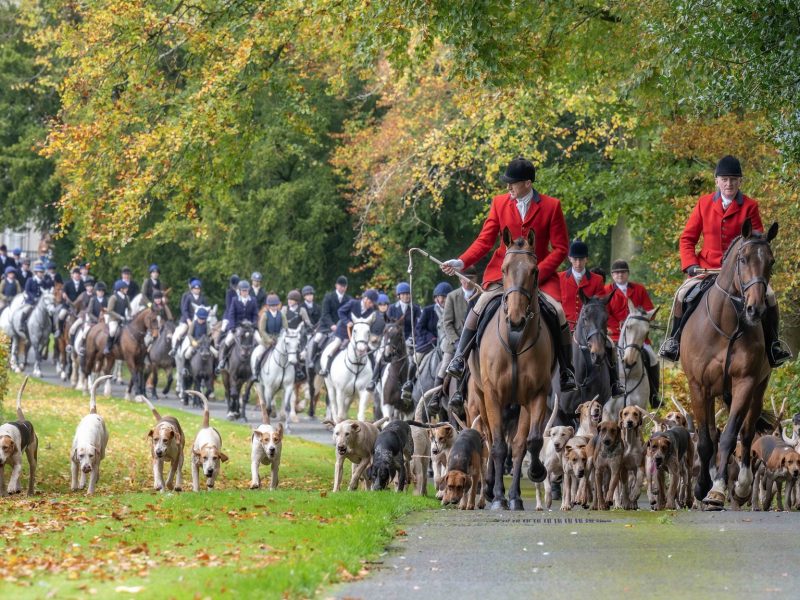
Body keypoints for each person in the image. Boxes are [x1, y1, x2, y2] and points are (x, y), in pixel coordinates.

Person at [441, 156, 576, 402]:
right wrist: (461, 261)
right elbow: (484, 240)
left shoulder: (551, 206)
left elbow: (560, 248)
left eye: (512, 183)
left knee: (557, 311)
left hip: (540, 277)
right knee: (479, 306)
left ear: (527, 183)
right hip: (503, 276)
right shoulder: (499, 203)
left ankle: (567, 370)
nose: (508, 188)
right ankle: (460, 358)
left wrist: (537, 272)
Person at [659, 155, 791, 366]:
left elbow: (757, 241)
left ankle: (774, 344)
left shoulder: (750, 206)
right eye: (724, 179)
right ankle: (674, 341)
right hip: (706, 268)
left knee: (770, 296)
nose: (729, 184)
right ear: (717, 181)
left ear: (740, 181)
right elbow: (687, 239)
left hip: (742, 272)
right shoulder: (703, 204)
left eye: (733, 179)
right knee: (682, 294)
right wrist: (691, 265)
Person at [558, 241, 624, 398]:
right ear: (570, 259)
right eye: (575, 259)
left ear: (586, 259)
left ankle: (615, 383)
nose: (578, 263)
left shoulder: (596, 280)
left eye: (581, 259)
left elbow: (601, 303)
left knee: (610, 346)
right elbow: (557, 303)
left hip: (591, 328)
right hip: (566, 326)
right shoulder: (559, 278)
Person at [604, 259, 660, 407]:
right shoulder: (606, 291)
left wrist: (642, 318)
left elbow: (649, 310)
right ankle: (605, 389)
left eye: (622, 272)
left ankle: (654, 395)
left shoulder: (639, 289)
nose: (620, 275)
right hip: (615, 335)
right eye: (616, 273)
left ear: (628, 273)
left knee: (652, 357)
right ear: (612, 275)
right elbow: (605, 314)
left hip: (637, 338)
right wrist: (618, 326)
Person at [400, 282, 453, 403]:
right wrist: (431, 337)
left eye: (446, 297)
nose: (444, 299)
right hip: (429, 343)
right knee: (416, 358)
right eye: (442, 297)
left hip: (448, 344)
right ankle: (409, 384)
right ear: (436, 298)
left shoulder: (453, 310)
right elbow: (419, 328)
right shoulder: (429, 311)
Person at [433, 266, 479, 407]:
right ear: (459, 279)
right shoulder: (452, 296)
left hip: (476, 340)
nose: (466, 282)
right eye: (463, 278)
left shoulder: (481, 294)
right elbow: (447, 323)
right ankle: (436, 398)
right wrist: (456, 341)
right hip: (455, 341)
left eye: (469, 279)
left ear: (475, 279)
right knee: (446, 364)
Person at [318, 289, 379, 376]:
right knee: (336, 344)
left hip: (359, 335)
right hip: (344, 330)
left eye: (373, 303)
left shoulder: (371, 310)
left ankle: (374, 373)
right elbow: (340, 311)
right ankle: (326, 368)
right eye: (371, 302)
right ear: (365, 298)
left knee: (370, 350)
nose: (371, 305)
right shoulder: (353, 303)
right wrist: (347, 322)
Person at [217, 280, 259, 373]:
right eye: (243, 291)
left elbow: (255, 314)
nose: (245, 292)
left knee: (260, 341)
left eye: (247, 291)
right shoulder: (235, 300)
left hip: (250, 327)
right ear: (239, 291)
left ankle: (259, 364)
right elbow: (231, 314)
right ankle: (222, 361)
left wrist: (254, 324)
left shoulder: (253, 300)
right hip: (238, 326)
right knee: (227, 341)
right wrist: (232, 327)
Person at [309, 276, 352, 367]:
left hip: (342, 327)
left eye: (344, 286)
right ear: (336, 285)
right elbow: (325, 314)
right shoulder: (328, 297)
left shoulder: (349, 299)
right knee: (317, 338)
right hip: (327, 326)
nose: (342, 288)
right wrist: (332, 325)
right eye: (341, 286)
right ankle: (312, 360)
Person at [252, 293, 288, 380]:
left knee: (290, 353)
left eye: (276, 305)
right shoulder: (265, 315)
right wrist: (269, 340)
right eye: (272, 305)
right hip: (267, 341)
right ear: (268, 306)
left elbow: (285, 327)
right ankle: (256, 373)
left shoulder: (281, 314)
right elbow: (262, 330)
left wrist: (281, 337)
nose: (274, 307)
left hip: (279, 340)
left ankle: (297, 371)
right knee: (259, 354)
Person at [170, 279, 208, 357]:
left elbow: (205, 310)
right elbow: (184, 310)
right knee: (181, 332)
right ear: (192, 289)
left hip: (200, 320)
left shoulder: (203, 298)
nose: (197, 290)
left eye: (198, 289)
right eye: (195, 289)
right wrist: (188, 320)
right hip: (188, 320)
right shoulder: (188, 297)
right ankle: (175, 348)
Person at [72, 280, 107, 356]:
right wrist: (97, 320)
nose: (101, 292)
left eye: (102, 291)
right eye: (99, 291)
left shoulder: (106, 300)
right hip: (93, 321)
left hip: (103, 321)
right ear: (96, 291)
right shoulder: (93, 299)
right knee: (85, 332)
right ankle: (83, 346)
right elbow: (89, 312)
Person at [365, 292, 392, 392]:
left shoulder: (390, 316)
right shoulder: (374, 315)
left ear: (388, 305)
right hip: (372, 344)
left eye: (385, 304)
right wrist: (371, 337)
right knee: (378, 358)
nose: (383, 306)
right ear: (377, 305)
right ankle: (373, 381)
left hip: (384, 345)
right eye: (381, 304)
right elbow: (365, 327)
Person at [104, 280, 130, 354]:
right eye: (125, 288)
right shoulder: (113, 298)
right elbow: (109, 311)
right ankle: (108, 346)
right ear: (121, 289)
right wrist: (120, 317)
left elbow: (129, 308)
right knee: (112, 331)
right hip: (114, 319)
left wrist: (129, 315)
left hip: (124, 319)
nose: (127, 289)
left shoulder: (126, 297)